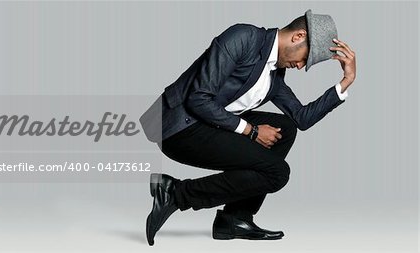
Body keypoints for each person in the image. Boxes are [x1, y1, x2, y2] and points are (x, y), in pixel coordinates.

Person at [140, 9, 356, 246]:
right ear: (298, 36)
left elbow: (302, 119)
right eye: (305, 58)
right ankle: (176, 194)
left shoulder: (274, 76)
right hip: (178, 127)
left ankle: (235, 218)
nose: (301, 66)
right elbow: (198, 98)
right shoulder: (243, 38)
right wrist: (251, 131)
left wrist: (344, 82)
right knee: (277, 173)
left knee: (285, 128)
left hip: (208, 124)